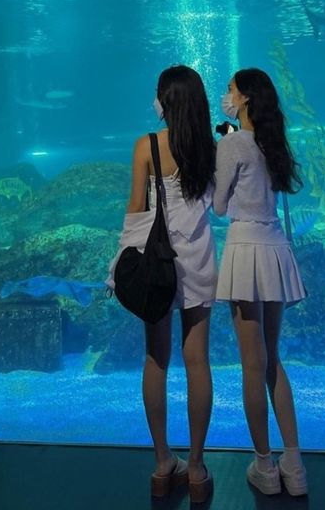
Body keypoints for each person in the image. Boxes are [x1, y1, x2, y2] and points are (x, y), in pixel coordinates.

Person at [107, 65, 217, 503]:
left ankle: (160, 463)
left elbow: (137, 209)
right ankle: (196, 465)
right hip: (200, 258)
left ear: (164, 102)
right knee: (198, 362)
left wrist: (120, 262)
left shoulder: (147, 146)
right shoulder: (211, 147)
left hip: (157, 265)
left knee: (156, 359)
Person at [213, 67, 308, 497]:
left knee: (252, 363)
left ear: (246, 97)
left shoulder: (232, 143)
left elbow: (217, 206)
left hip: (245, 248)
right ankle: (295, 462)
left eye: (231, 89)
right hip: (275, 249)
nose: (226, 94)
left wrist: (224, 147)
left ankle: (265, 468)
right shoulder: (274, 143)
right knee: (274, 360)